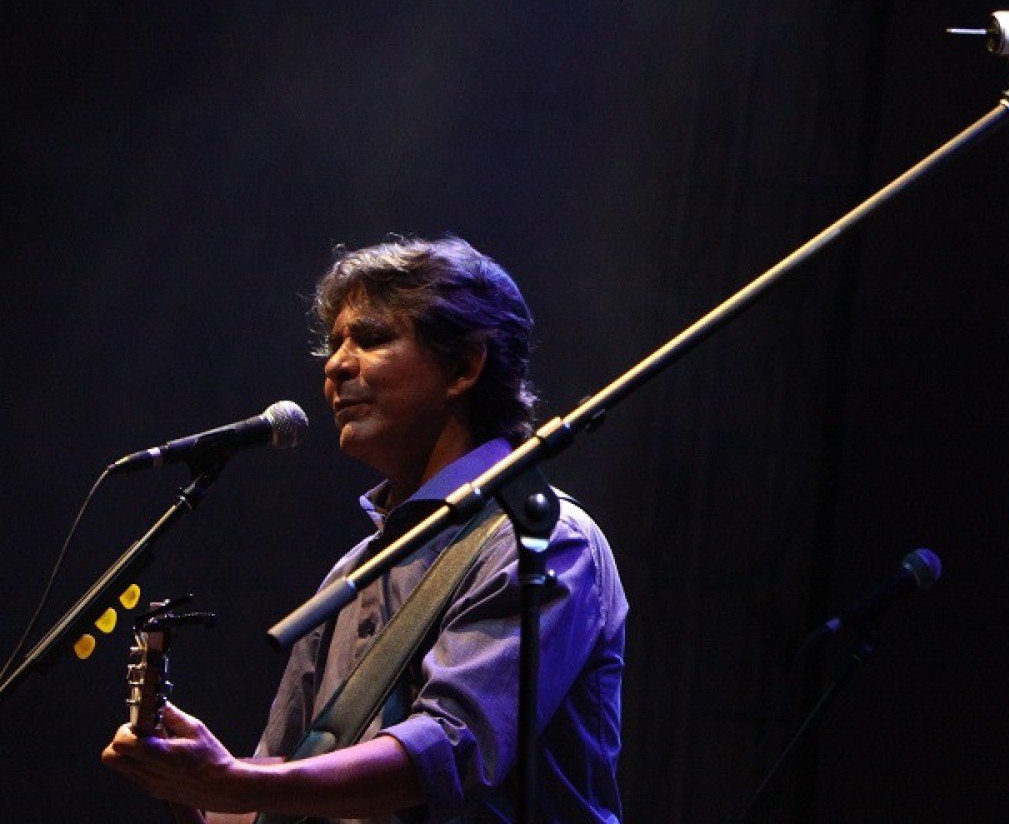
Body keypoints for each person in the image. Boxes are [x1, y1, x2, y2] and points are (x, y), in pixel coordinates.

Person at [103, 236, 627, 823]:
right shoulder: (350, 573)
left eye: (372, 339)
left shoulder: (544, 540)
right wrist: (193, 787)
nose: (335, 365)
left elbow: (452, 748)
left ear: (464, 366)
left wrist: (236, 783)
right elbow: (280, 780)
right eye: (333, 345)